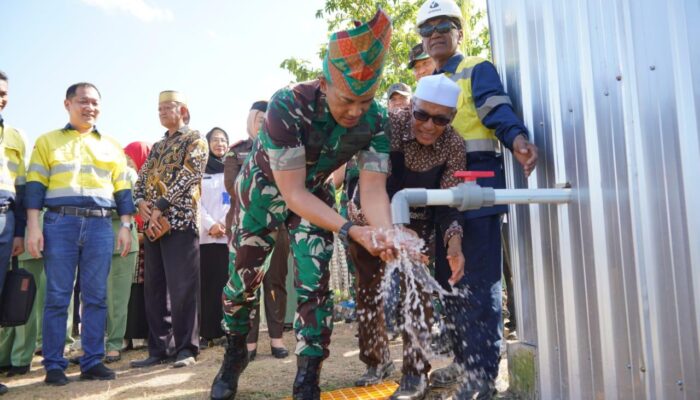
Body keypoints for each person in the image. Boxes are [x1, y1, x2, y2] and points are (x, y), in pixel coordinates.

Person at [210, 9, 394, 400]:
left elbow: (375, 190)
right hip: (263, 194)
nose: (356, 111)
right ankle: (232, 357)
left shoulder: (377, 120)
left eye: (365, 100)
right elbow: (290, 192)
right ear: (325, 83)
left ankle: (307, 377)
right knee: (242, 284)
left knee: (314, 286)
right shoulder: (287, 106)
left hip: (315, 192)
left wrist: (385, 233)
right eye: (347, 100)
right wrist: (349, 228)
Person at [415, 1, 539, 397]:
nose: (434, 33)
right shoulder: (427, 82)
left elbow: (494, 107)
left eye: (444, 25)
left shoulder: (476, 68)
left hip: (477, 183)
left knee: (479, 281)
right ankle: (463, 362)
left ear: (460, 32)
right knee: (447, 282)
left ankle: (482, 375)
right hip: (439, 191)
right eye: (427, 28)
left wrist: (517, 138)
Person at [350, 75, 466, 400]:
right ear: (412, 106)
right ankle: (375, 361)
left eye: (440, 119)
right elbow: (374, 185)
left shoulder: (454, 145)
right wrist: (390, 227)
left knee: (416, 294)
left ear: (452, 119)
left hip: (420, 225)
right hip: (370, 216)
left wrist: (453, 242)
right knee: (369, 291)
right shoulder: (390, 126)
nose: (429, 126)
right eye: (422, 115)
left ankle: (415, 376)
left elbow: (449, 202)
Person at [25, 82, 134, 386]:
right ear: (67, 104)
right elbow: (34, 186)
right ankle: (55, 364)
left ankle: (91, 361)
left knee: (97, 296)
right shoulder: (47, 142)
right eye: (84, 102)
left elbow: (123, 189)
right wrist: (33, 226)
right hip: (60, 223)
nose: (90, 108)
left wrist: (125, 226)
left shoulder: (111, 145)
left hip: (101, 225)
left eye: (96, 103)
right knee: (58, 296)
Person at [131, 91, 207, 369]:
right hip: (153, 224)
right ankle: (160, 347)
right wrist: (140, 202)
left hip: (181, 222)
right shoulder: (158, 146)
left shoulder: (195, 139)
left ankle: (186, 348)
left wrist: (161, 203)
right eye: (159, 108)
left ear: (183, 110)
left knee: (183, 287)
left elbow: (190, 175)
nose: (162, 112)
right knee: (155, 288)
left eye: (167, 107)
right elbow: (140, 179)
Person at [223, 101, 290, 361]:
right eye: (258, 118)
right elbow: (233, 185)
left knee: (276, 281)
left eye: (267, 118)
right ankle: (248, 344)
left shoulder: (283, 148)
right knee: (246, 284)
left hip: (278, 225)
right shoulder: (237, 152)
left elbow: (290, 183)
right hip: (243, 225)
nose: (262, 122)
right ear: (251, 119)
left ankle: (277, 339)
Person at [0, 70, 27, 396]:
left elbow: (21, 189)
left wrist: (19, 231)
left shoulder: (17, 136)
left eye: (4, 92)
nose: (1, 96)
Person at [104, 148, 140, 363]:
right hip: (91, 239)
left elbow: (133, 204)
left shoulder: (128, 174)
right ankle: (93, 344)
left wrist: (101, 206)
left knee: (117, 298)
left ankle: (114, 343)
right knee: (92, 296)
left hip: (121, 240)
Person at [199, 127, 231, 346]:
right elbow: (196, 203)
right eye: (215, 140)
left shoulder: (232, 169)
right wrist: (210, 225)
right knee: (206, 286)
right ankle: (206, 332)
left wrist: (224, 223)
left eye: (223, 140)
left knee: (225, 284)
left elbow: (232, 200)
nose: (220, 144)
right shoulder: (199, 170)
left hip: (226, 237)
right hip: (205, 237)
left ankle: (225, 330)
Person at [123, 141, 152, 347]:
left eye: (130, 158)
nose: (127, 162)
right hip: (130, 243)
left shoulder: (151, 182)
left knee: (145, 291)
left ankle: (142, 333)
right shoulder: (125, 179)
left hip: (148, 245)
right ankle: (127, 335)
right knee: (127, 291)